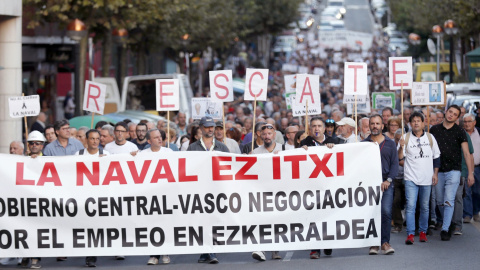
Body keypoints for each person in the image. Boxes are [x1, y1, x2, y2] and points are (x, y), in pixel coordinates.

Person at [187, 116, 229, 264]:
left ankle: (210, 251)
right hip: (200, 189)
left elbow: (229, 166)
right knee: (202, 220)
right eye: (207, 127)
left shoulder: (222, 147)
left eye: (212, 127)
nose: (211, 129)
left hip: (216, 190)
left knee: (213, 220)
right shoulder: (192, 147)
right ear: (201, 128)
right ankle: (206, 252)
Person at [300, 117, 343, 259]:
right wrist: (301, 151)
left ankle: (328, 243)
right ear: (310, 129)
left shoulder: (335, 141)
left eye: (319, 126)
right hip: (312, 187)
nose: (316, 129)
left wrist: (334, 149)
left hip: (330, 186)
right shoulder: (304, 143)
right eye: (314, 126)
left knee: (328, 216)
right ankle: (315, 249)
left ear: (324, 129)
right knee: (314, 217)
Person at [430, 105, 474, 241]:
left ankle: (446, 228)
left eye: (454, 114)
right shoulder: (434, 129)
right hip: (438, 170)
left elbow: (466, 153)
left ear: (457, 117)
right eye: (450, 112)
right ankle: (447, 221)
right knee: (439, 200)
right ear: (446, 112)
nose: (451, 115)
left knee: (449, 199)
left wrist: (470, 173)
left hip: (454, 170)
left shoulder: (460, 131)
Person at [398, 112, 440, 245]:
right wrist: (401, 146)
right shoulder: (405, 137)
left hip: (427, 178)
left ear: (423, 123)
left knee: (424, 206)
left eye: (418, 121)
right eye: (413, 121)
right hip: (410, 178)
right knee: (410, 206)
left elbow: (437, 157)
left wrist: (435, 174)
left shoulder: (430, 137)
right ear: (410, 123)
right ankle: (410, 233)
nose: (416, 123)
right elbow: (400, 158)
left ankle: (423, 231)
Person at [363, 114, 398, 255]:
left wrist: (388, 180)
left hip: (386, 184)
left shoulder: (390, 143)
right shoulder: (363, 144)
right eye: (372, 124)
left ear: (383, 126)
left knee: (386, 211)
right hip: (369, 185)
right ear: (369, 126)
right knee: (371, 214)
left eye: (378, 123)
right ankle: (373, 244)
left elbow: (395, 164)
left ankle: (384, 242)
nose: (375, 126)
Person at [74, 129, 109, 267]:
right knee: (88, 226)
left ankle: (94, 254)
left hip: (101, 196)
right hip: (84, 196)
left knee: (98, 226)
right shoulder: (79, 154)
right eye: (92, 139)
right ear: (86, 140)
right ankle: (90, 255)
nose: (95, 142)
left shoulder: (106, 154)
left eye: (97, 139)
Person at [251, 123, 282, 262]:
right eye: (264, 134)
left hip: (279, 190)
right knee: (262, 219)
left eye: (269, 134)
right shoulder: (256, 152)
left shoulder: (283, 148)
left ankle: (275, 249)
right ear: (261, 135)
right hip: (262, 191)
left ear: (274, 134)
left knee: (275, 220)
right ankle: (261, 248)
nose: (267, 136)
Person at [143, 129, 172, 265]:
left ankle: (165, 251)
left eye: (160, 137)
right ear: (149, 141)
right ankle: (154, 255)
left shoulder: (169, 153)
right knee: (152, 224)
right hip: (150, 196)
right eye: (155, 137)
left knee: (165, 223)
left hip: (166, 194)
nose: (159, 139)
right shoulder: (143, 155)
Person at [462, 113, 480, 223]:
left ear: (474, 122)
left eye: (469, 121)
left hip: (478, 167)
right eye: (465, 121)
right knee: (466, 191)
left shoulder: (479, 132)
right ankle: (467, 214)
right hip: (465, 167)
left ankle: (476, 211)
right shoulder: (461, 133)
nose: (467, 124)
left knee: (477, 191)